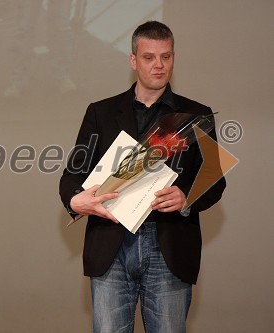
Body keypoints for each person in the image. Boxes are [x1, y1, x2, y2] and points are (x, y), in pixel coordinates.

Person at [59, 21, 226, 332]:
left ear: (174, 58)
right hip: (111, 246)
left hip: (170, 247)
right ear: (133, 60)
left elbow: (215, 179)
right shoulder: (101, 112)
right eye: (149, 57)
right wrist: (74, 200)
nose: (159, 65)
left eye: (166, 56)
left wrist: (187, 195)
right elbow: (73, 174)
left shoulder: (195, 115)